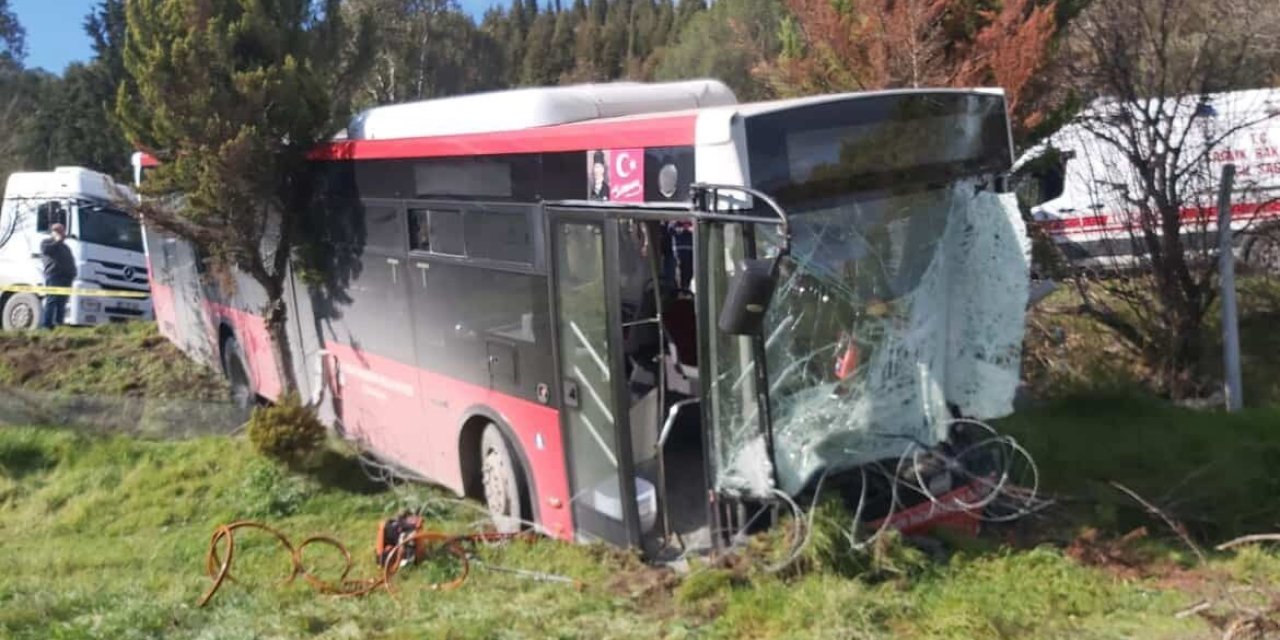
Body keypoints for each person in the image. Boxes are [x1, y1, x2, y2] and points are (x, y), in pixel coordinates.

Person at [40, 222, 77, 329]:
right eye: (59, 231)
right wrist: (57, 240)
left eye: (62, 231)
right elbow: (47, 251)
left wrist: (73, 273)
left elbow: (71, 260)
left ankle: (59, 324)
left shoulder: (66, 247)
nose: (62, 234)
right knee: (51, 300)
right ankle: (47, 325)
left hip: (66, 277)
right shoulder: (46, 243)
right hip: (54, 275)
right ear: (53, 232)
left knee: (62, 302)